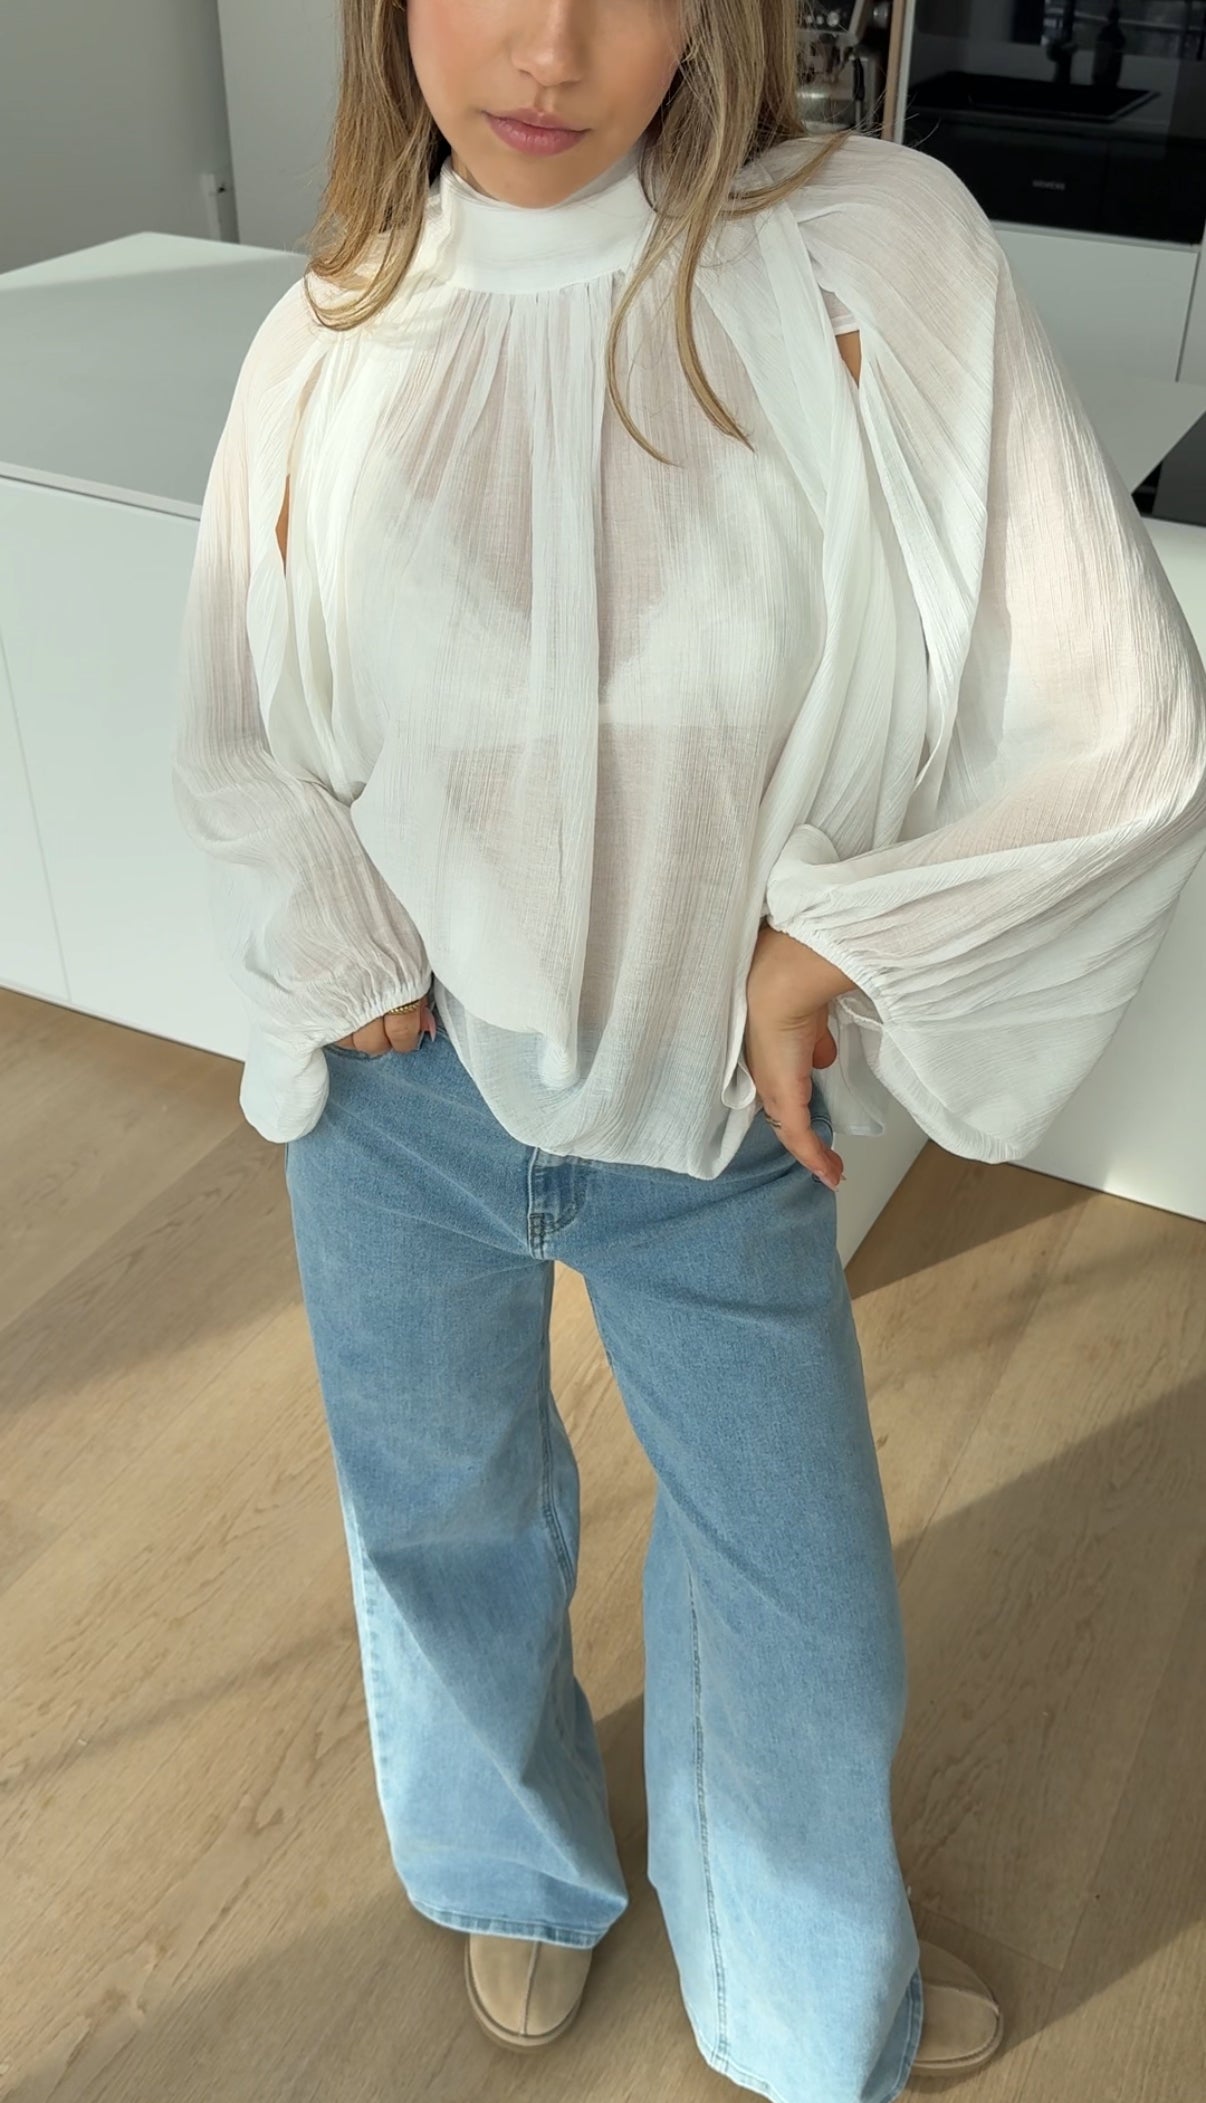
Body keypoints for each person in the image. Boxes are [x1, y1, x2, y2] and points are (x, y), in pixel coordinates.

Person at [169, 2, 1206, 2098]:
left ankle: (802, 1988)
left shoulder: (864, 256)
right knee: (437, 1522)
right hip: (397, 1101)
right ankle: (511, 1868)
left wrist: (835, 938)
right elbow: (238, 705)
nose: (546, 49)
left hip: (716, 1119)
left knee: (798, 1596)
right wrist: (336, 929)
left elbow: (1117, 711)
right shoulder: (334, 331)